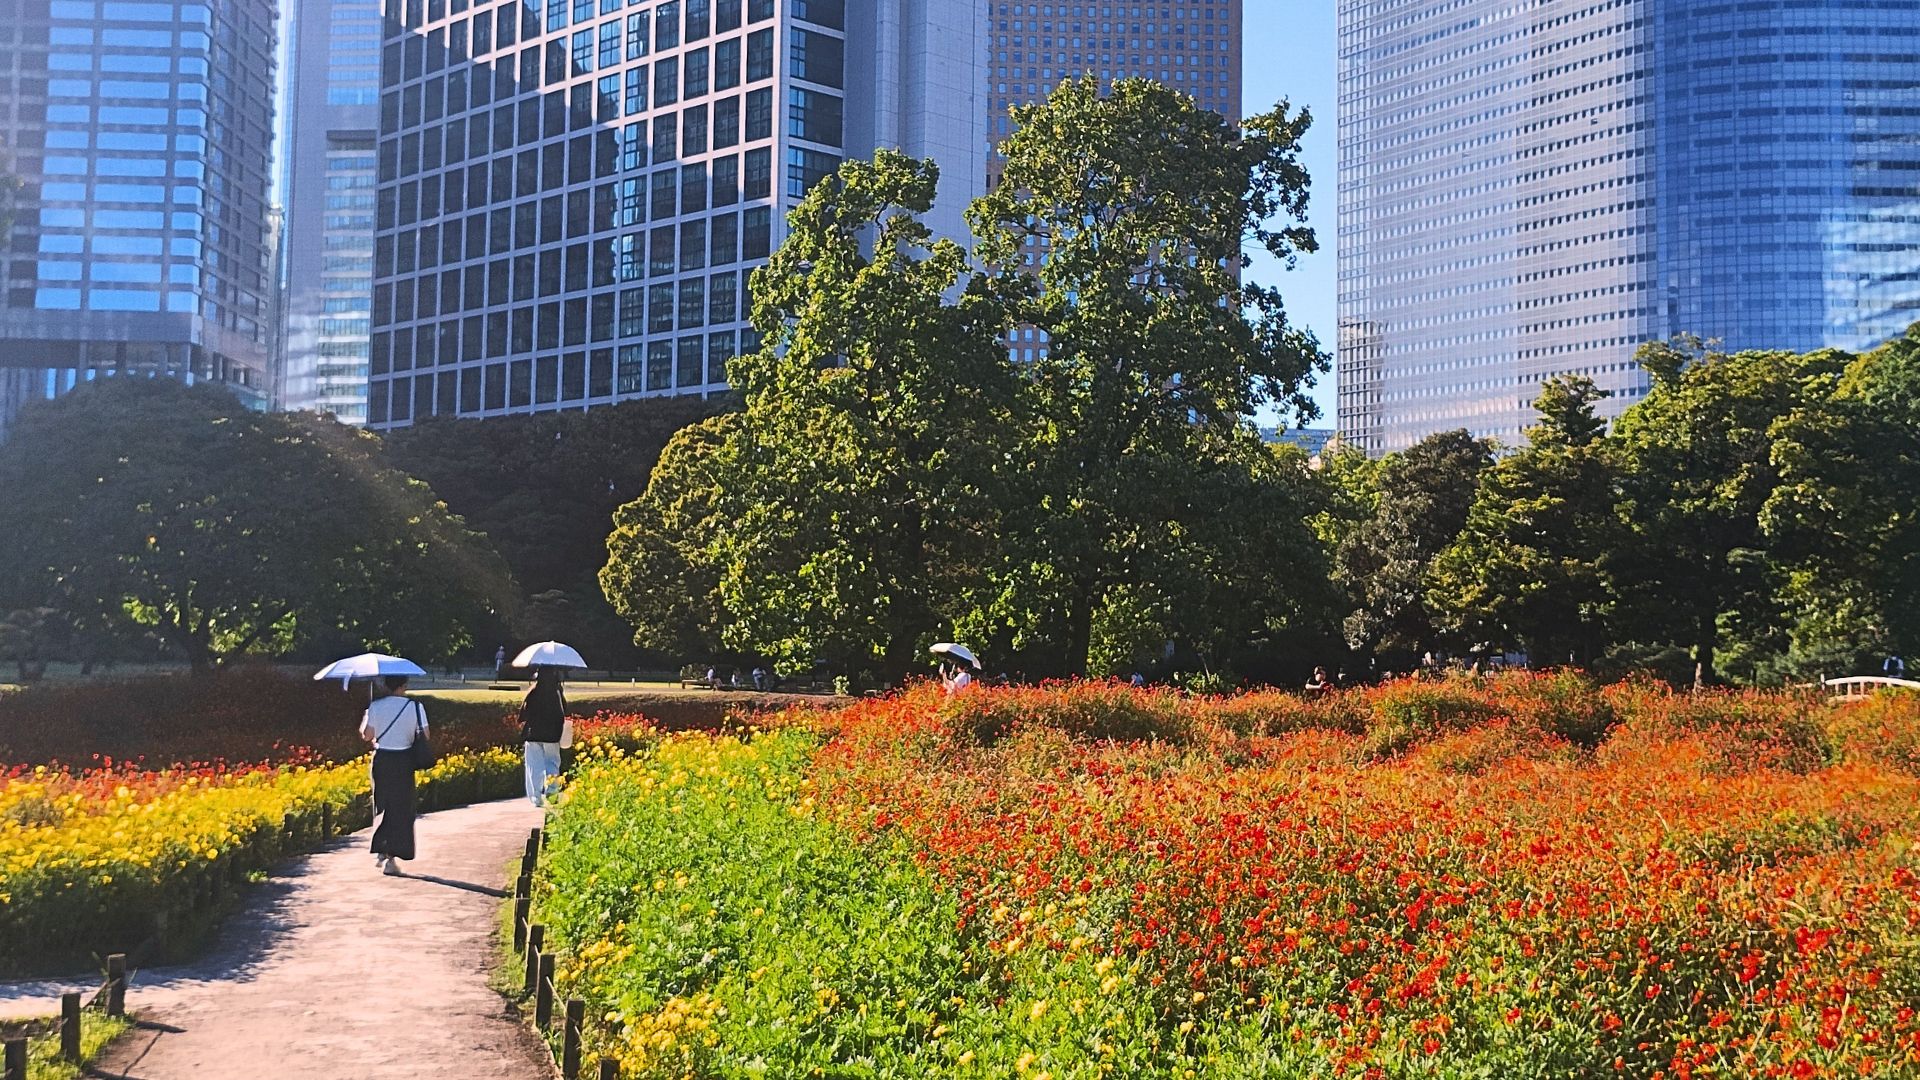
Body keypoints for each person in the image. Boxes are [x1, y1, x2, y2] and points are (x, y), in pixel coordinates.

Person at [358, 675, 427, 876]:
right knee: (402, 808)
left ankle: (382, 848)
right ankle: (392, 857)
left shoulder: (376, 706)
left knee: (383, 804)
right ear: (404, 685)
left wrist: (366, 717)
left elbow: (367, 736)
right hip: (404, 760)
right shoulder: (415, 707)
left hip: (382, 759)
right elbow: (425, 735)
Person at [519, 667, 568, 808]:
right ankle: (552, 794)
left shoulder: (533, 691)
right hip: (552, 733)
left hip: (533, 733)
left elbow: (524, 713)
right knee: (552, 764)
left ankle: (536, 798)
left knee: (534, 765)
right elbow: (563, 711)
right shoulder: (556, 692)